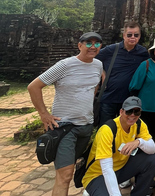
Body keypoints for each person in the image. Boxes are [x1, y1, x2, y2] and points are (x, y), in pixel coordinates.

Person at [27, 32, 104, 196]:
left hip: (85, 126)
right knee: (65, 175)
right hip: (65, 127)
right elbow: (33, 86)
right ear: (80, 45)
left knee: (65, 172)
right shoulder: (65, 65)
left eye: (97, 43)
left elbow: (94, 87)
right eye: (88, 43)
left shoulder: (98, 65)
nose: (93, 46)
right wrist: (44, 114)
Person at [82, 96, 155, 196]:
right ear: (121, 112)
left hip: (120, 169)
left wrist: (139, 142)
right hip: (98, 175)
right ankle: (93, 189)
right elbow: (107, 169)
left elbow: (152, 149)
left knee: (151, 160)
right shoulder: (107, 130)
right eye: (129, 111)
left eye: (137, 112)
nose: (132, 115)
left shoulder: (139, 124)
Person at [96, 21, 149, 127]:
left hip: (129, 100)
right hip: (109, 97)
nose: (132, 37)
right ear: (124, 35)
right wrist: (102, 73)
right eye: (129, 34)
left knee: (125, 130)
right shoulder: (112, 49)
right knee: (105, 129)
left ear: (139, 36)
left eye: (136, 35)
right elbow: (92, 58)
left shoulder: (143, 53)